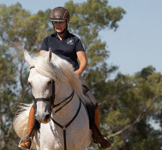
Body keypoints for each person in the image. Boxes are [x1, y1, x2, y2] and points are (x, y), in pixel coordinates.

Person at [19, 6, 111, 149]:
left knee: (93, 102)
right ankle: (29, 136)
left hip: (72, 79)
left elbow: (83, 61)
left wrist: (78, 73)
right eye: (55, 22)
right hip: (53, 80)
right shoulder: (47, 40)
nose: (58, 25)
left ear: (67, 21)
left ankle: (98, 136)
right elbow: (41, 60)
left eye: (60, 22)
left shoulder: (75, 40)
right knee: (36, 105)